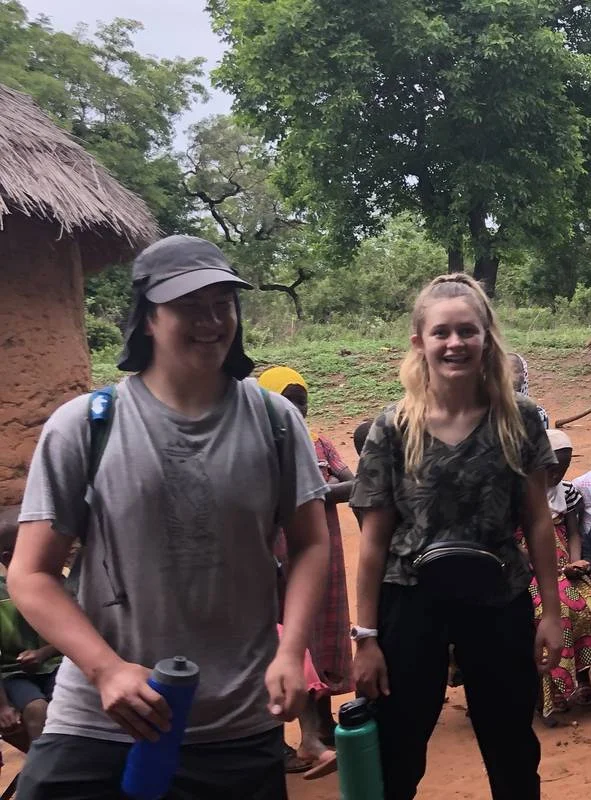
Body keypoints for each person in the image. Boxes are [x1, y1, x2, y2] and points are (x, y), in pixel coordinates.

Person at [11, 235, 331, 797]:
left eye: (222, 304)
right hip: (102, 718)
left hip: (235, 722)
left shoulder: (276, 421)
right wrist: (106, 669)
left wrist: (290, 651)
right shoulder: (85, 425)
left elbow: (310, 543)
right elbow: (30, 574)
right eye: (189, 306)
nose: (211, 321)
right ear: (148, 318)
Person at [350, 274, 563, 799]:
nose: (455, 343)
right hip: (409, 601)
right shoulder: (393, 427)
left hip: (499, 598)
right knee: (398, 750)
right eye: (441, 332)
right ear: (418, 341)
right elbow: (373, 542)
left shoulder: (518, 419)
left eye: (467, 330)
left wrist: (551, 614)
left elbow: (538, 521)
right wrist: (366, 638)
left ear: (486, 338)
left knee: (513, 751)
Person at [257, 365, 356, 780]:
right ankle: (293, 737)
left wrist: (314, 494)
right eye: (287, 402)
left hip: (323, 553)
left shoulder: (319, 443)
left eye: (301, 402)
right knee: (287, 637)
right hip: (279, 557)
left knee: (324, 635)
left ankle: (324, 727)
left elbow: (355, 484)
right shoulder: (259, 449)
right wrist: (317, 494)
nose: (296, 411)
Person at [527, 429, 591, 723]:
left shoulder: (568, 493)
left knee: (590, 604)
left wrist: (575, 563)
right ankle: (550, 692)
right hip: (530, 567)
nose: (558, 474)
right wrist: (545, 566)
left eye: (564, 467)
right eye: (552, 467)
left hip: (563, 563)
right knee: (552, 610)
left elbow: (573, 533)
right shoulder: (518, 492)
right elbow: (511, 539)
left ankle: (582, 678)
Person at [0, 509, 60, 754]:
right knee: (37, 709)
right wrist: (3, 706)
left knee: (73, 703)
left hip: (57, 664)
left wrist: (44, 653)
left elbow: (82, 632)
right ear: (7, 557)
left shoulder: (59, 582)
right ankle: (43, 770)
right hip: (13, 674)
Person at [510, 352, 551, 428]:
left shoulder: (538, 413)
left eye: (516, 371)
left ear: (525, 373)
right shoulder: (490, 413)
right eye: (507, 371)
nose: (513, 377)